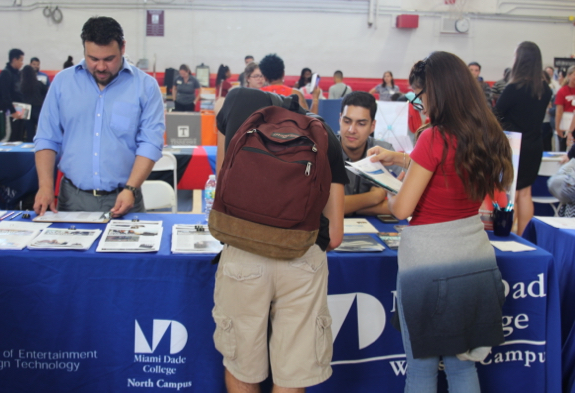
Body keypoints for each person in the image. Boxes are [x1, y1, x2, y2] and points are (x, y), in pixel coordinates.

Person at [369, 51, 513, 392]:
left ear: (437, 91)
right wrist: (404, 158)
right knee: (464, 370)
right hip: (475, 258)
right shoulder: (486, 133)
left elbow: (401, 209)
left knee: (421, 372)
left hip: (429, 266)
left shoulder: (433, 136)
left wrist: (387, 187)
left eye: (419, 97)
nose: (419, 105)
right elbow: (447, 167)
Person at [212, 86, 346, 393]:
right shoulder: (325, 136)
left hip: (243, 256)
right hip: (301, 260)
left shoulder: (238, 107)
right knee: (291, 375)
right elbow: (335, 236)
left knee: (242, 366)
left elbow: (223, 187)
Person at [33, 16, 165, 217]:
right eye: (93, 59)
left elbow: (150, 143)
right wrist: (45, 187)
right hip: (72, 198)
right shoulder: (63, 83)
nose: (101, 67)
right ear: (84, 50)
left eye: (109, 59)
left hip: (125, 197)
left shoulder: (145, 86)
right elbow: (47, 138)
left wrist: (131, 188)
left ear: (123, 48)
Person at [495, 41, 552, 236]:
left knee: (513, 193)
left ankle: (510, 234)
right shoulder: (545, 90)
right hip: (535, 144)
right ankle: (524, 236)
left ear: (520, 60)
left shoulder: (514, 89)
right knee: (526, 193)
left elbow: (497, 114)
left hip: (514, 146)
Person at [339, 91, 399, 216]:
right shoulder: (324, 150)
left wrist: (350, 207)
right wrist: (374, 197)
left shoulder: (384, 152)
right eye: (347, 121)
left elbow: (403, 205)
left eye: (361, 124)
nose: (352, 130)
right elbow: (324, 207)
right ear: (340, 120)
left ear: (372, 126)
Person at [0, 48, 25, 141]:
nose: (22, 63)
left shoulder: (17, 74)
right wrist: (13, 111)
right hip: (10, 112)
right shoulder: (6, 74)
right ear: (14, 60)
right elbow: (5, 95)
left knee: (19, 137)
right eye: (21, 60)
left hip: (20, 110)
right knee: (10, 138)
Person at [19, 64, 47, 142]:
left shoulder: (21, 85)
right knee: (41, 130)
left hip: (25, 109)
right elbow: (46, 94)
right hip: (38, 108)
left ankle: (29, 147)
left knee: (29, 132)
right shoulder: (39, 84)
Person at [555, 65, 575, 151]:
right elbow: (559, 111)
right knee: (564, 149)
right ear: (568, 76)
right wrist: (557, 126)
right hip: (565, 122)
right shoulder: (562, 91)